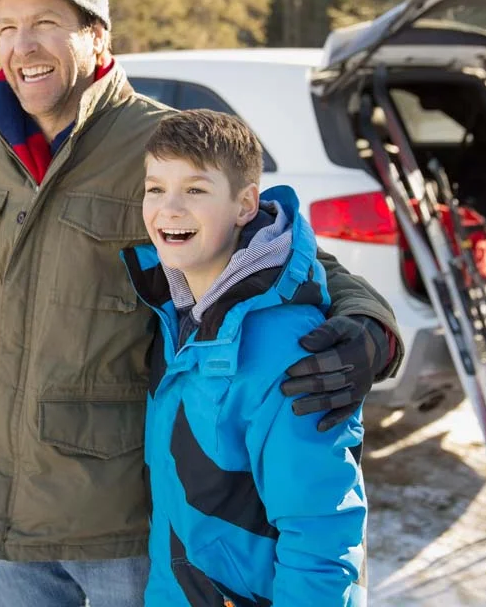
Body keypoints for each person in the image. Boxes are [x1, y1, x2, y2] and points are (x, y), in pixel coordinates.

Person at [0, 0, 400, 605]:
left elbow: (282, 248)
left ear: (96, 34)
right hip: (5, 509)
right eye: (9, 28)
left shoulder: (157, 145)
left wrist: (370, 324)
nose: (24, 47)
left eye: (46, 24)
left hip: (118, 520)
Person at [127, 109, 366, 606]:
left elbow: (321, 536)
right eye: (155, 188)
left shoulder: (287, 347)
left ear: (244, 206)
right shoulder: (175, 312)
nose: (168, 208)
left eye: (195, 190)